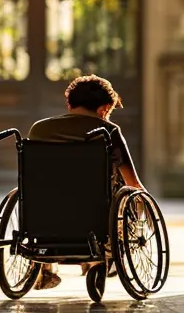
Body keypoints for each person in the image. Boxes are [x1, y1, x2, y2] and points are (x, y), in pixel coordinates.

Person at [21, 75, 145, 290]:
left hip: (44, 214)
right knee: (133, 196)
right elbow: (133, 183)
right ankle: (105, 256)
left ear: (70, 103)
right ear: (105, 108)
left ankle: (45, 265)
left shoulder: (39, 129)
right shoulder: (108, 131)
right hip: (93, 215)